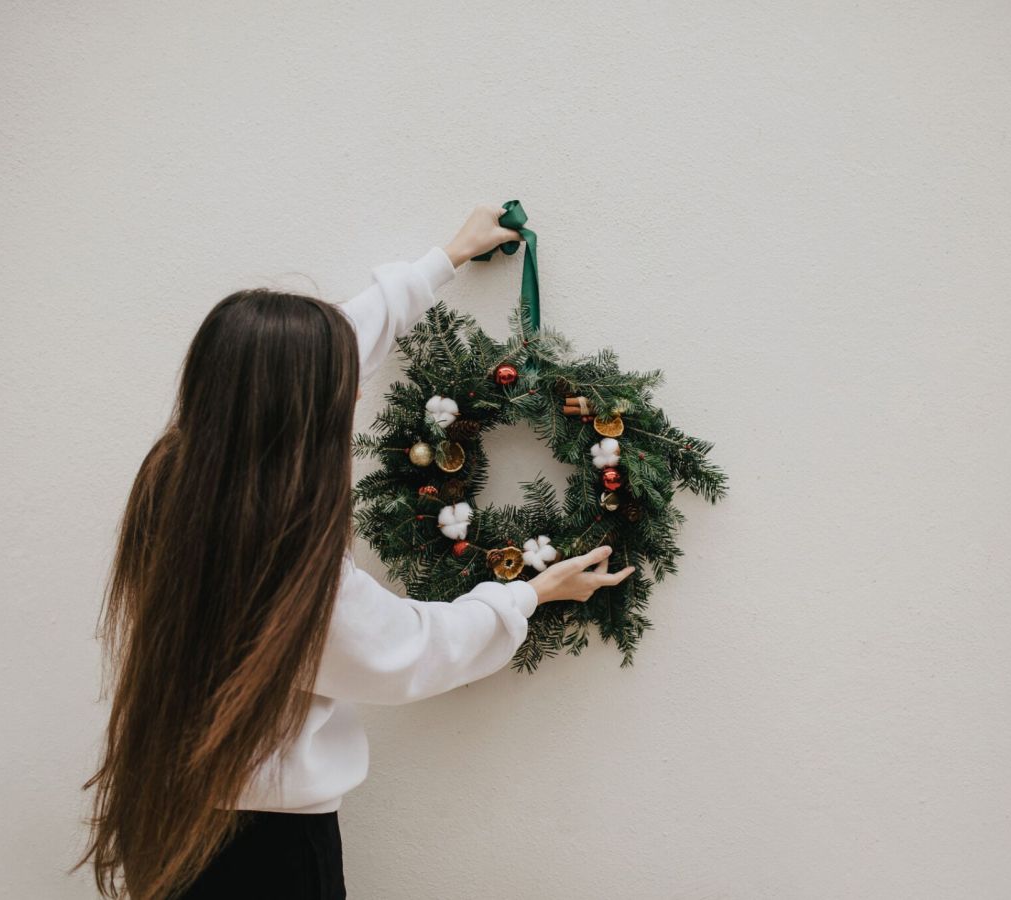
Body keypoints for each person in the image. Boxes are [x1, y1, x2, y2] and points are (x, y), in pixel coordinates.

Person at [74, 205, 636, 899]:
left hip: (166, 813)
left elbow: (300, 355)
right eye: (343, 392)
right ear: (300, 416)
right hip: (260, 861)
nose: (360, 390)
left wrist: (443, 260)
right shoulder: (287, 570)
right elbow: (411, 651)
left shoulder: (178, 478)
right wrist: (529, 593)